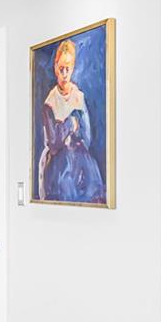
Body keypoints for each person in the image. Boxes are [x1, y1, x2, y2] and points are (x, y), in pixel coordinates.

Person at [37, 38, 107, 204]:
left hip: (79, 157)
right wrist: (71, 124)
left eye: (67, 68)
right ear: (55, 68)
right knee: (65, 184)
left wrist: (68, 129)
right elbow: (54, 143)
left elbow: (87, 137)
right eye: (61, 68)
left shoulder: (78, 96)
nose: (64, 73)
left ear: (73, 68)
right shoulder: (50, 102)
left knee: (93, 186)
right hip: (58, 162)